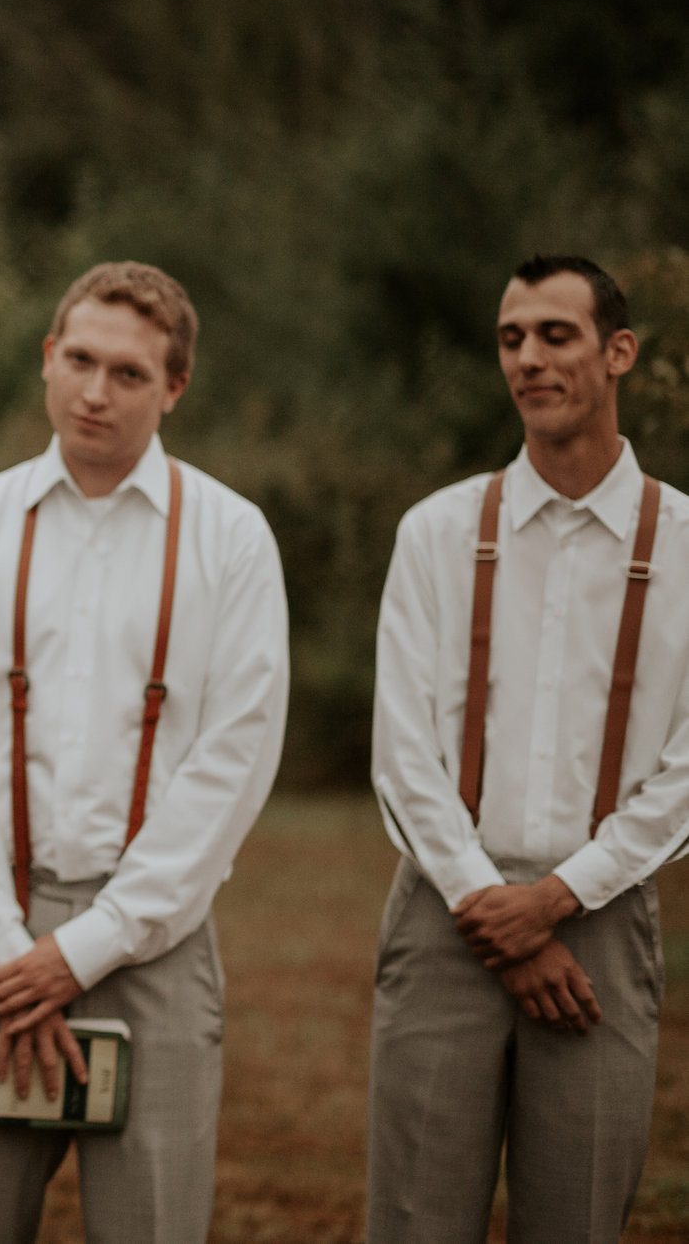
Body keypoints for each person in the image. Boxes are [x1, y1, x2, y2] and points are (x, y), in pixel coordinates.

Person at [0, 261, 290, 1244]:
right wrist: (6, 951)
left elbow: (232, 761)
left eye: (126, 371)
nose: (94, 390)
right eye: (78, 360)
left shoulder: (232, 539)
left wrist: (85, 948)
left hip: (151, 940)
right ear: (46, 358)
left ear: (174, 387)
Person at [365, 255, 689, 1244]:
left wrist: (553, 901)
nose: (528, 357)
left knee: (575, 1220)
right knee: (415, 1222)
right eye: (511, 337)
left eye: (555, 333)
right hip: (441, 917)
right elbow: (402, 752)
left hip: (597, 926)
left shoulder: (684, 543)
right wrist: (484, 902)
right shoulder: (437, 531)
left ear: (618, 350)